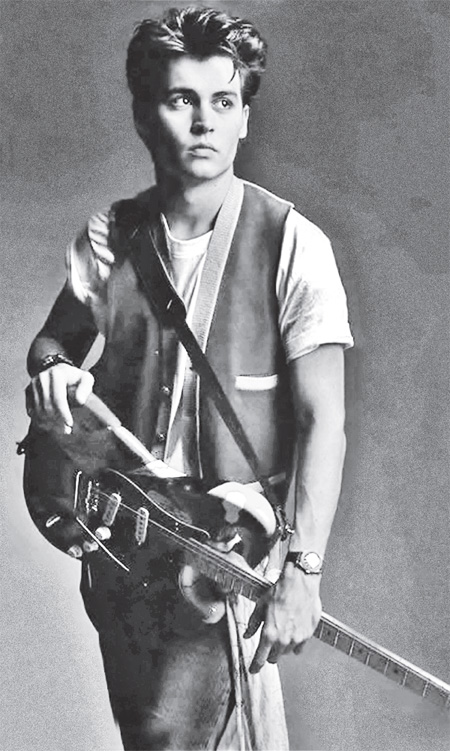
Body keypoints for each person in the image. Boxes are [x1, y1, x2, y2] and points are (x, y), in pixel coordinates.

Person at [25, 7, 353, 750]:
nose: (205, 122)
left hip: (226, 552)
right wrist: (51, 373)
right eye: (182, 99)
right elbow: (52, 343)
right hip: (127, 553)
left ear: (245, 118)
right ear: (145, 117)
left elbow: (323, 421)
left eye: (224, 101)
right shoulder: (108, 237)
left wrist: (304, 571)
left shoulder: (294, 246)